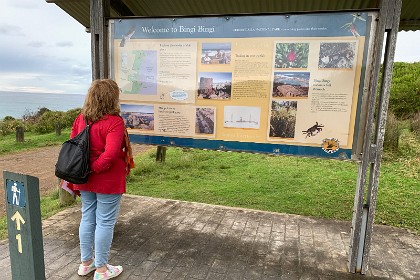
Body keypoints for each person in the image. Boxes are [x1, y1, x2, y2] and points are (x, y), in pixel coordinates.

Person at [72, 79, 131, 279]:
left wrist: (87, 170)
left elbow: (73, 146)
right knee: (105, 221)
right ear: (111, 98)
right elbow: (111, 154)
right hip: (106, 179)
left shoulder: (81, 118)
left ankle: (85, 263)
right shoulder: (114, 122)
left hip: (83, 177)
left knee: (88, 216)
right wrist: (95, 169)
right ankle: (102, 270)